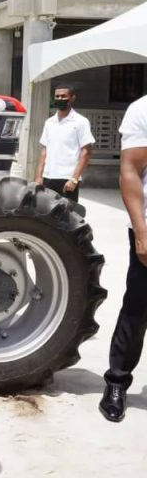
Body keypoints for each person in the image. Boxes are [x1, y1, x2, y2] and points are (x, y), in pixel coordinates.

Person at [100, 94, 147, 422]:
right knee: (138, 307)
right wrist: (141, 232)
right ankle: (117, 381)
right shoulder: (143, 110)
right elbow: (130, 169)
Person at [34, 85, 95, 202]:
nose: (60, 99)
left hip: (67, 179)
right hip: (48, 177)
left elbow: (86, 151)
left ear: (72, 98)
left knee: (67, 215)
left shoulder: (81, 122)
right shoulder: (49, 122)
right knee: (46, 215)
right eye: (57, 96)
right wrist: (38, 176)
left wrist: (74, 179)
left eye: (63, 96)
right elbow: (44, 150)